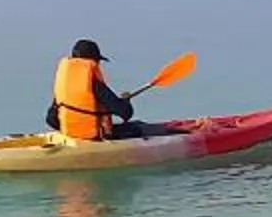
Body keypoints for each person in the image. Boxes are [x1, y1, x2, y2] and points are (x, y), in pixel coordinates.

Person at [46, 39, 176, 141]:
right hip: (97, 137)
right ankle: (179, 133)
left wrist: (74, 128)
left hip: (70, 135)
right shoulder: (95, 85)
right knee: (137, 126)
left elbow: (51, 120)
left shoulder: (64, 85)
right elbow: (125, 113)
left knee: (134, 125)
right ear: (93, 61)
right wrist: (126, 101)